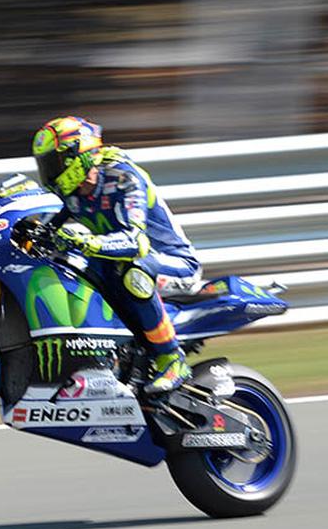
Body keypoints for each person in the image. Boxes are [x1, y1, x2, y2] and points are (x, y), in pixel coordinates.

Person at [31, 116, 201, 394]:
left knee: (130, 268)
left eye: (54, 163)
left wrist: (86, 242)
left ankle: (171, 358)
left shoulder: (124, 177)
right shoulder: (71, 192)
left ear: (78, 154)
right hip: (116, 260)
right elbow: (44, 226)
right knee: (67, 265)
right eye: (45, 164)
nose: (50, 172)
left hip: (173, 264)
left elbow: (136, 242)